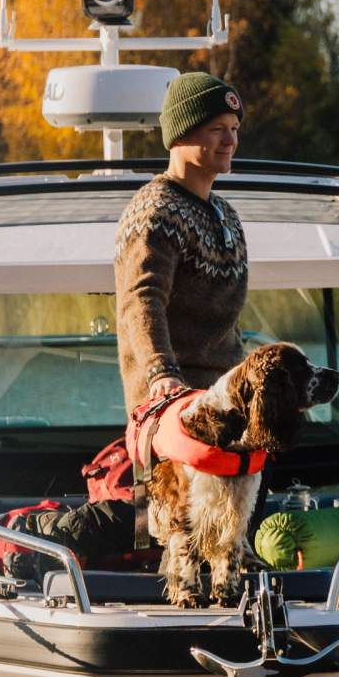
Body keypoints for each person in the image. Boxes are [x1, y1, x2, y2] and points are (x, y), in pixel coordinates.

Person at [113, 72, 249, 435]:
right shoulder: (155, 211)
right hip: (176, 413)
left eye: (234, 128)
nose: (230, 140)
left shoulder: (226, 215)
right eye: (217, 128)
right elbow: (141, 300)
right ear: (181, 133)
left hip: (228, 402)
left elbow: (226, 326)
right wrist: (161, 373)